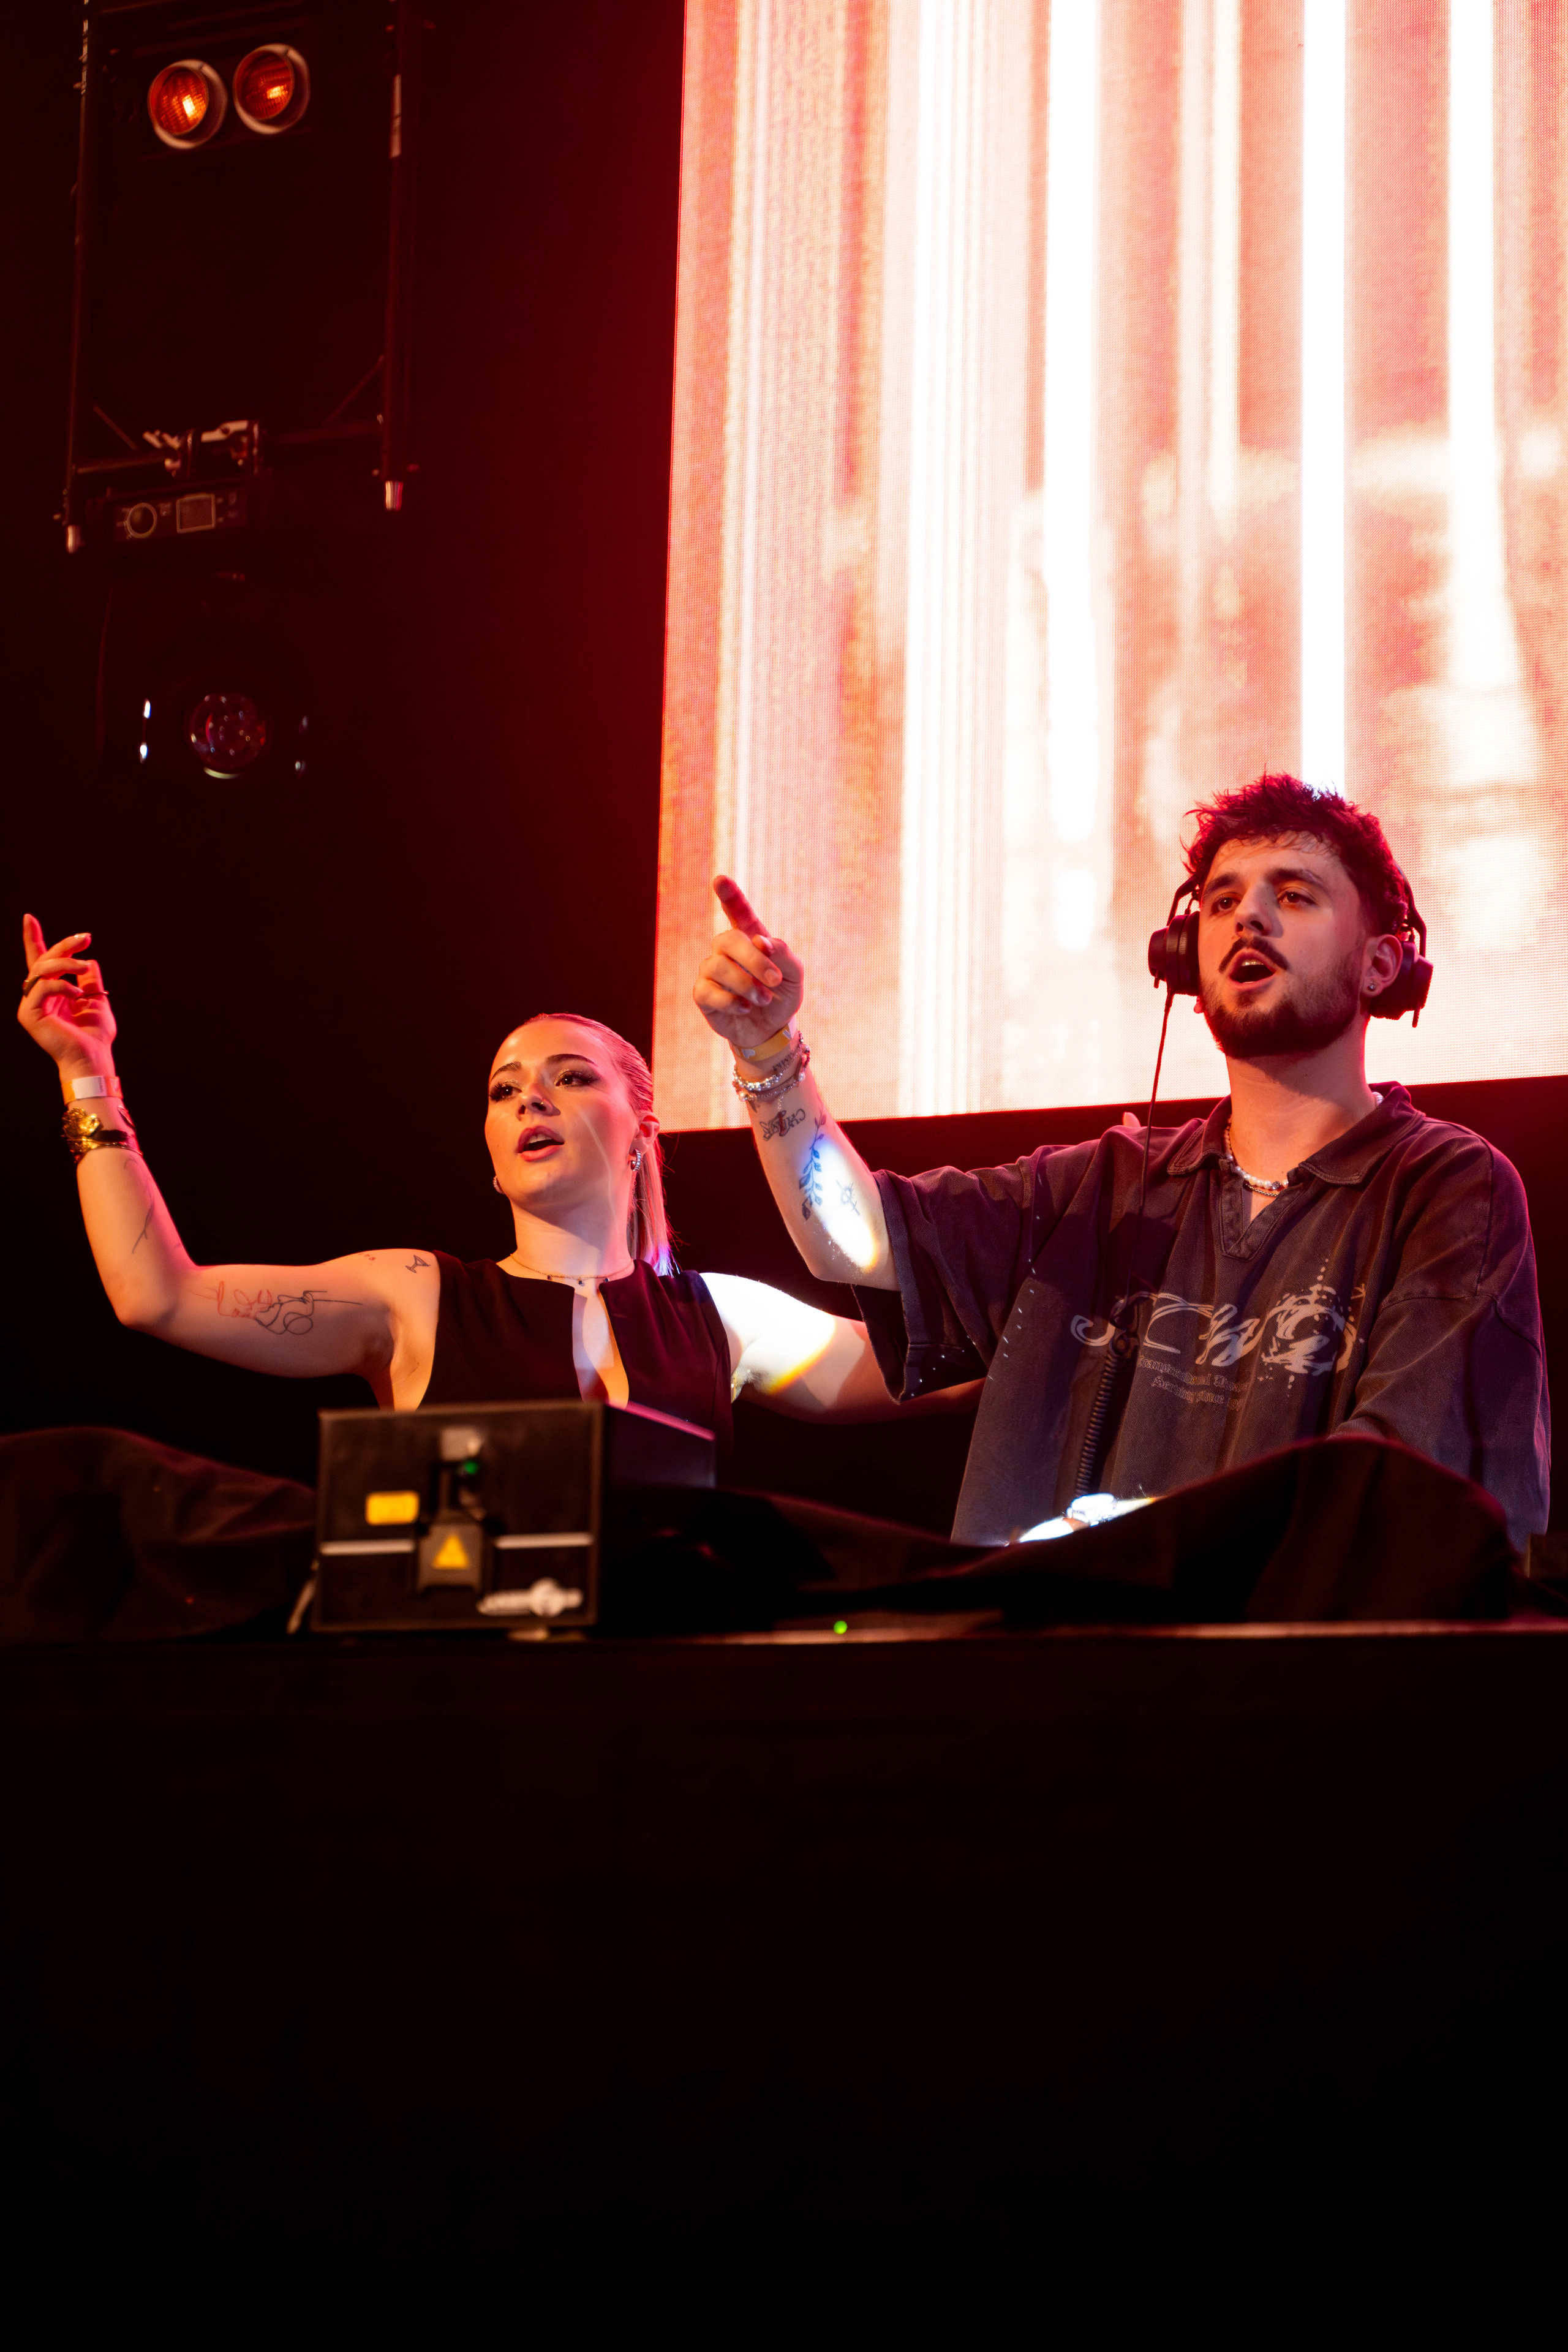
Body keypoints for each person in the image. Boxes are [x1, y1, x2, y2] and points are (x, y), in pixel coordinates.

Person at [693, 774, 1550, 1549]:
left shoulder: (1446, 1188)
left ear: (1382, 963)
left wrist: (1149, 1534)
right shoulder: (1101, 1188)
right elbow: (854, 1244)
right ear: (1183, 960)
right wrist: (767, 1054)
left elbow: (1406, 1483)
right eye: (1221, 901)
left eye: (1294, 894)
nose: (1248, 917)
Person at [17, 913, 969, 1453]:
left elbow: (947, 1362)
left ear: (641, 1133)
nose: (531, 1101)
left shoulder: (723, 1318)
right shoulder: (414, 1297)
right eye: (504, 1090)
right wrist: (87, 1073)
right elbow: (156, 1295)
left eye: (571, 1078)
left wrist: (772, 1055)